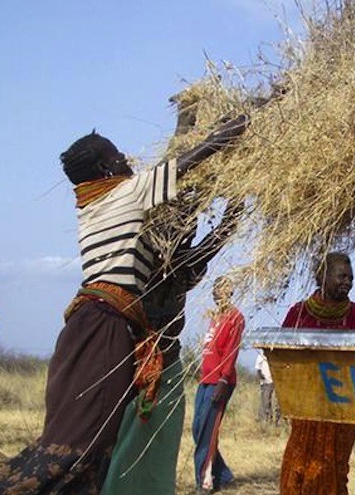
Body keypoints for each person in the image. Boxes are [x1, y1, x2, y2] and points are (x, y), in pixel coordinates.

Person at [0, 115, 249, 495]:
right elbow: (188, 161)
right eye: (117, 154)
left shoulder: (92, 207)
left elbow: (185, 249)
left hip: (85, 326)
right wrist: (232, 129)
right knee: (88, 440)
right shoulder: (126, 193)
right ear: (105, 167)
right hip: (104, 328)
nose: (126, 159)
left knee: (77, 439)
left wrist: (225, 212)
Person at [102, 204, 241, 495]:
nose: (187, 234)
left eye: (190, 228)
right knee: (121, 437)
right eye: (179, 227)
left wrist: (236, 205)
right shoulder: (139, 262)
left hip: (169, 362)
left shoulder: (186, 265)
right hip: (133, 360)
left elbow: (219, 236)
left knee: (162, 440)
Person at [279, 252, 355, 495]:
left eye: (351, 277)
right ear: (323, 277)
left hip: (343, 407)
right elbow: (282, 354)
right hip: (306, 406)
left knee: (335, 466)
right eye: (341, 276)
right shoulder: (299, 313)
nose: (347, 282)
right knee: (299, 463)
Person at [192, 277, 245, 494]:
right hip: (205, 380)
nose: (217, 293)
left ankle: (204, 483)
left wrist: (223, 380)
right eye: (215, 289)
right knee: (198, 429)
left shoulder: (235, 318)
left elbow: (232, 350)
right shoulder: (214, 318)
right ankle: (224, 474)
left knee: (207, 433)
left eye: (223, 289)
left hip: (220, 382)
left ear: (231, 292)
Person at [255, 351, 280, 425]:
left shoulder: (277, 354)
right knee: (266, 401)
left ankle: (277, 420)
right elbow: (258, 369)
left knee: (278, 402)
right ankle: (267, 419)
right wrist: (261, 378)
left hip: (277, 381)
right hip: (266, 382)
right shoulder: (261, 356)